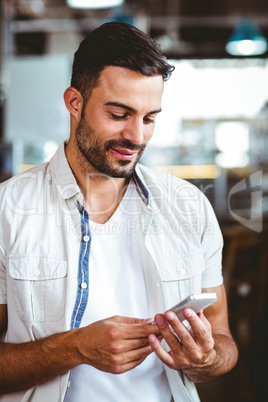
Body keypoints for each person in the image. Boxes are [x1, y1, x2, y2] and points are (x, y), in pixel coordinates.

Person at [0, 22, 238, 402]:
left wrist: (205, 359)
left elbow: (223, 340)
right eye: (119, 114)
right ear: (74, 102)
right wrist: (73, 348)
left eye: (149, 118)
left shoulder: (189, 206)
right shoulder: (7, 212)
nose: (137, 136)